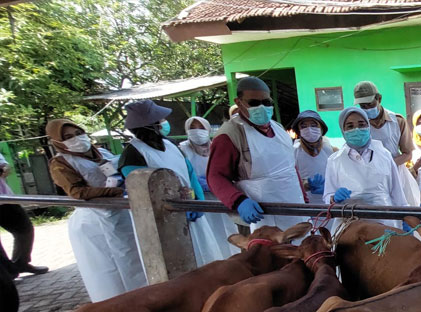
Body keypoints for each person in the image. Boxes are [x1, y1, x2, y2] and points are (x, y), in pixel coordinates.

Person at [47, 119, 147, 301]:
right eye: (68, 137)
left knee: (132, 259)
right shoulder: (61, 163)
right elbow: (76, 191)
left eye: (78, 133)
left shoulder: (102, 152)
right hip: (94, 221)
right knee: (108, 269)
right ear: (57, 142)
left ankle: (142, 300)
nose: (77, 139)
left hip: (120, 213)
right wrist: (115, 190)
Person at [118, 99, 225, 267]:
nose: (164, 123)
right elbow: (142, 189)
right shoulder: (133, 154)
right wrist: (174, 205)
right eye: (160, 121)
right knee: (177, 263)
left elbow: (189, 173)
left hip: (190, 208)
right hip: (163, 218)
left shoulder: (170, 145)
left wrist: (197, 201)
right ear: (150, 125)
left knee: (204, 255)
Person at [207, 76, 307, 231]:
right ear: (239, 102)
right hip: (262, 216)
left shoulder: (279, 128)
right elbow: (215, 176)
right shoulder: (230, 135)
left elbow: (291, 168)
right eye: (254, 103)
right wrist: (238, 201)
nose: (261, 107)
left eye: (266, 102)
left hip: (296, 209)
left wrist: (305, 200)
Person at [323, 107, 407, 228]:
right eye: (350, 126)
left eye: (361, 125)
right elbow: (328, 195)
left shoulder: (384, 154)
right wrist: (333, 198)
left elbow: (397, 193)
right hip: (349, 225)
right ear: (343, 130)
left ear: (368, 126)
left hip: (384, 221)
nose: (357, 129)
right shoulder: (334, 160)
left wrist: (404, 217)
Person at [179, 116, 239, 259]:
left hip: (219, 196)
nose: (197, 132)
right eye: (193, 128)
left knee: (225, 229)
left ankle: (232, 259)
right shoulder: (182, 149)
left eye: (201, 128)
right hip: (198, 199)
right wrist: (197, 185)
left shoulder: (214, 148)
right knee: (206, 234)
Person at [353, 81, 420, 206]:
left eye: (370, 104)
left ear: (379, 98)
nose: (367, 109)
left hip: (398, 175)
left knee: (403, 211)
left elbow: (408, 154)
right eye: (363, 106)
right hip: (369, 179)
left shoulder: (397, 121)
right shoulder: (359, 124)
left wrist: (387, 165)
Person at [0, 153, 48, 278]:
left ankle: (21, 263)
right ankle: (6, 272)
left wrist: (4, 169)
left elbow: (5, 168)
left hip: (5, 199)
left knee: (24, 229)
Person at [291, 110, 335, 205]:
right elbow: (287, 182)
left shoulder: (332, 151)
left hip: (330, 206)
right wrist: (306, 185)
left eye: (314, 125)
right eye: (303, 126)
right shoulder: (293, 153)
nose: (309, 129)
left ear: (321, 129)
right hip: (305, 207)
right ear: (299, 131)